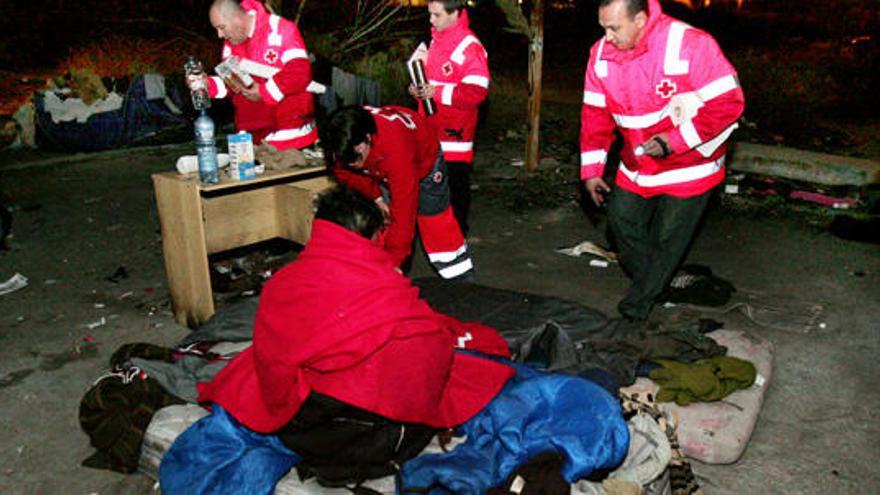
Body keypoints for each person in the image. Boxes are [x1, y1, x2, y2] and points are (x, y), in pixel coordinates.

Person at [196, 186, 513, 436]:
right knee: (462, 363)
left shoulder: (284, 283)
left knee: (248, 368)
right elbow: (428, 355)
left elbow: (273, 357)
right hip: (367, 426)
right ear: (371, 235)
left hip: (298, 421)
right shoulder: (389, 288)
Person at [579, 0, 744, 322]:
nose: (607, 37)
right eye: (603, 28)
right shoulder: (600, 55)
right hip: (639, 164)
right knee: (621, 222)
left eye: (614, 28)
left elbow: (728, 104)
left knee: (669, 239)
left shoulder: (691, 44)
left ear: (640, 19)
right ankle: (661, 282)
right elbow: (595, 117)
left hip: (691, 166)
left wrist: (674, 141)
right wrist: (592, 171)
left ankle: (636, 309)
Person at [321, 105, 474, 280]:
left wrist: (393, 263)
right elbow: (344, 173)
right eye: (345, 159)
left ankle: (461, 279)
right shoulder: (341, 138)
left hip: (423, 159)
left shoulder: (395, 151)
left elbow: (404, 212)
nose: (353, 164)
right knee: (383, 222)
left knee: (434, 224)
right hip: (383, 164)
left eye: (356, 158)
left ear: (367, 138)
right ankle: (379, 275)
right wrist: (376, 196)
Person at [409, 0, 490, 236]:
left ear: (455, 13)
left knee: (455, 191)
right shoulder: (436, 40)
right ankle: (440, 237)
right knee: (433, 189)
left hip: (455, 134)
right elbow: (430, 79)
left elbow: (477, 92)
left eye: (437, 15)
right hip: (431, 127)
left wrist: (436, 92)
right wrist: (415, 89)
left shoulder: (469, 47)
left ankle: (458, 240)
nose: (431, 20)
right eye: (430, 14)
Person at [192, 0, 318, 150]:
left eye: (222, 27)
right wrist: (208, 84)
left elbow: (299, 73)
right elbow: (233, 84)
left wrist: (265, 92)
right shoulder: (230, 44)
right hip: (252, 141)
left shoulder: (281, 29)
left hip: (291, 138)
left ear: (237, 19)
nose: (220, 35)